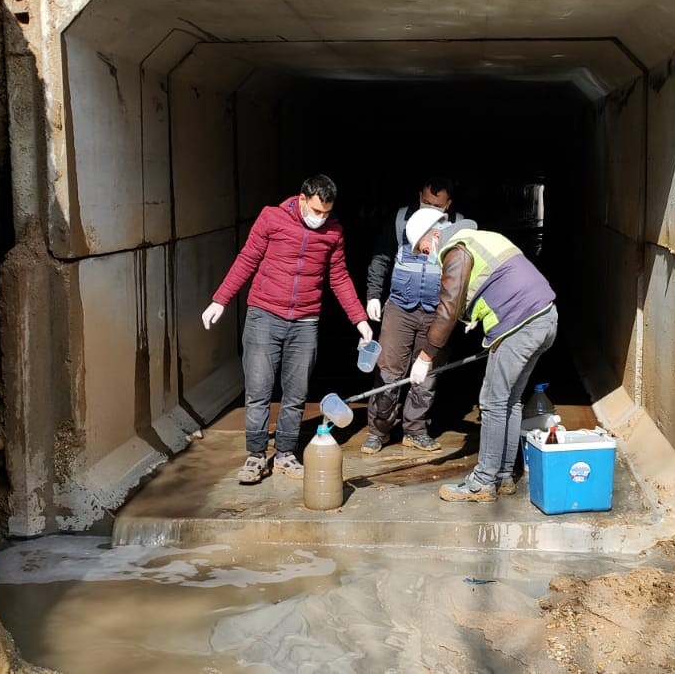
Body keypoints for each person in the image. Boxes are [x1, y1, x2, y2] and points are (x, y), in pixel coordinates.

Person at [202, 174, 372, 484]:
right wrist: (220, 300)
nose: (321, 218)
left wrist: (359, 319)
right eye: (316, 210)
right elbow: (247, 258)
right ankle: (256, 456)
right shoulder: (272, 218)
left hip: (305, 323)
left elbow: (339, 277)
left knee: (295, 394)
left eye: (327, 212)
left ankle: (285, 455)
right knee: (258, 391)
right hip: (264, 317)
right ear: (303, 199)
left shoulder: (333, 232)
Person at [405, 207, 558, 502]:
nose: (426, 256)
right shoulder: (480, 238)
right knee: (510, 400)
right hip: (545, 317)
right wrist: (473, 315)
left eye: (423, 249)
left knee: (492, 401)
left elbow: (447, 308)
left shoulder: (456, 250)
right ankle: (503, 476)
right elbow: (490, 283)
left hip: (520, 323)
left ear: (434, 235)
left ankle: (482, 482)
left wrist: (425, 357)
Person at [361, 178, 465, 455]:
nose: (430, 209)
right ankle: (378, 431)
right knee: (388, 371)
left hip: (437, 313)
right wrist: (373, 294)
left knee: (427, 375)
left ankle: (416, 430)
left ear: (448, 204)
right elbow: (381, 257)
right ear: (419, 196)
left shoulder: (459, 227)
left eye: (437, 205)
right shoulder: (400, 220)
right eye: (426, 203)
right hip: (399, 308)